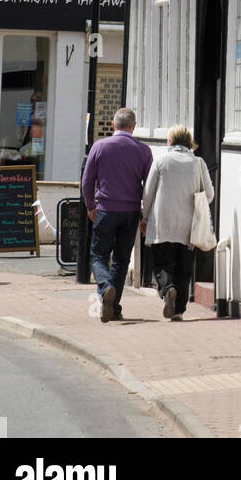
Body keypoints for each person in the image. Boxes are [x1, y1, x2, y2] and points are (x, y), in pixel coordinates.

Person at [82, 107, 152, 322]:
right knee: (122, 260)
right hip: (130, 211)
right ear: (134, 126)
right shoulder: (143, 150)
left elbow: (87, 181)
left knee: (98, 255)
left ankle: (105, 287)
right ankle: (114, 306)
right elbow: (149, 186)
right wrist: (145, 215)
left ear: (113, 125)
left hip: (105, 209)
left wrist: (90, 205)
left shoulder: (100, 146)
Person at [140, 125, 213, 320]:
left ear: (170, 141)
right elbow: (210, 195)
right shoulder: (198, 163)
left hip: (163, 223)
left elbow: (148, 194)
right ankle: (178, 311)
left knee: (162, 263)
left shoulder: (161, 161)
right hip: (189, 226)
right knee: (184, 267)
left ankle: (167, 289)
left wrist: (145, 218)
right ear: (189, 142)